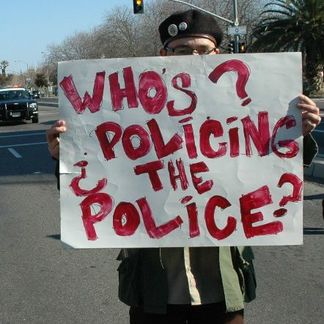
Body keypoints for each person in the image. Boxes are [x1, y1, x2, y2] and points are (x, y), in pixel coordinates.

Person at [46, 9, 322, 324]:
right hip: (154, 288)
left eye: (203, 51)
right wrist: (62, 157)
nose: (193, 58)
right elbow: (96, 182)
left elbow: (271, 170)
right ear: (164, 54)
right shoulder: (131, 111)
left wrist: (298, 133)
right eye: (182, 50)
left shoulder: (244, 106)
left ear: (217, 54)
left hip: (220, 285)